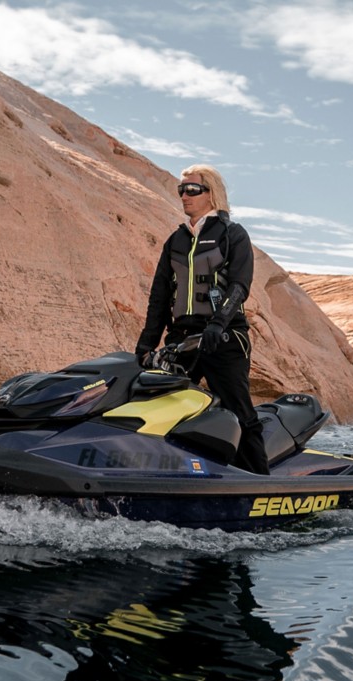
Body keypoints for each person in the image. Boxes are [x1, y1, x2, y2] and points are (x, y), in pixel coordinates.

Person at [135, 164, 270, 475]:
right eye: (181, 190)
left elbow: (239, 287)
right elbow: (159, 298)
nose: (185, 195)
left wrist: (218, 325)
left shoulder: (233, 235)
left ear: (212, 193)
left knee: (239, 412)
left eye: (192, 189)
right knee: (165, 408)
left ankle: (261, 482)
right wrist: (146, 344)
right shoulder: (176, 240)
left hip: (224, 337)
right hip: (181, 341)